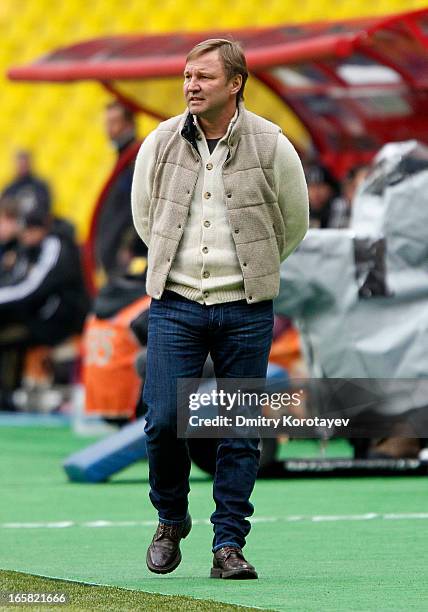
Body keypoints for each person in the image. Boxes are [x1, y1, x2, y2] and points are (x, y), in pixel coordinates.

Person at [131, 38, 309, 579]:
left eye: (204, 77)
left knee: (239, 432)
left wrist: (253, 269)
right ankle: (171, 519)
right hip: (175, 305)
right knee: (163, 421)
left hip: (247, 309)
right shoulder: (159, 143)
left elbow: (294, 222)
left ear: (235, 84)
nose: (191, 85)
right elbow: (145, 218)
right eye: (187, 76)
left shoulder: (274, 144)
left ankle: (228, 545)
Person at [0, 202, 90, 403]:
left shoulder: (54, 244)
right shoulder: (27, 248)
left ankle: (8, 397)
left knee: (8, 334)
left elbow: (33, 289)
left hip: (60, 320)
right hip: (40, 315)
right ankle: (8, 395)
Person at [96, 101, 146, 276]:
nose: (109, 129)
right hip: (112, 250)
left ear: (129, 124)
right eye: (107, 123)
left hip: (126, 254)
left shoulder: (137, 160)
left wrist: (130, 246)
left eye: (114, 122)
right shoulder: (122, 160)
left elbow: (140, 207)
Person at [2, 150, 51, 218]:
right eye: (20, 164)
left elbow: (44, 208)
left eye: (25, 164)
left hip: (34, 224)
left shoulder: (40, 186)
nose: (23, 167)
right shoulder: (10, 188)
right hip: (15, 224)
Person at [328, 164, 370, 229]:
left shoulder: (377, 205)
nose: (368, 182)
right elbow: (335, 232)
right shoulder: (340, 205)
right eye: (365, 178)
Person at [305, 163, 338, 228]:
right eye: (312, 187)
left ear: (330, 189)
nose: (316, 192)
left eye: (320, 186)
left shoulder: (338, 207)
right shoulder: (299, 210)